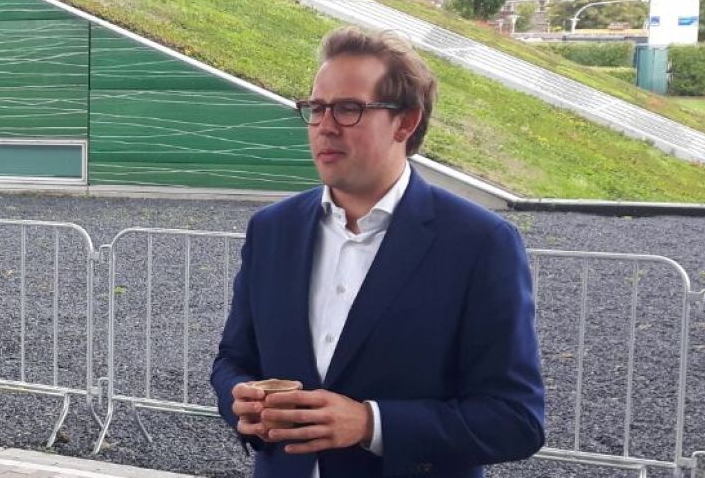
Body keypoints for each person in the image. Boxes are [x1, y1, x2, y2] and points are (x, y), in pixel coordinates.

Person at [211, 27, 545, 478]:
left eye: (349, 109)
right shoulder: (273, 229)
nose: (325, 125)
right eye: (316, 108)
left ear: (405, 122)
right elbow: (233, 359)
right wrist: (241, 400)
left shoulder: (479, 242)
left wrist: (371, 423)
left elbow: (516, 419)